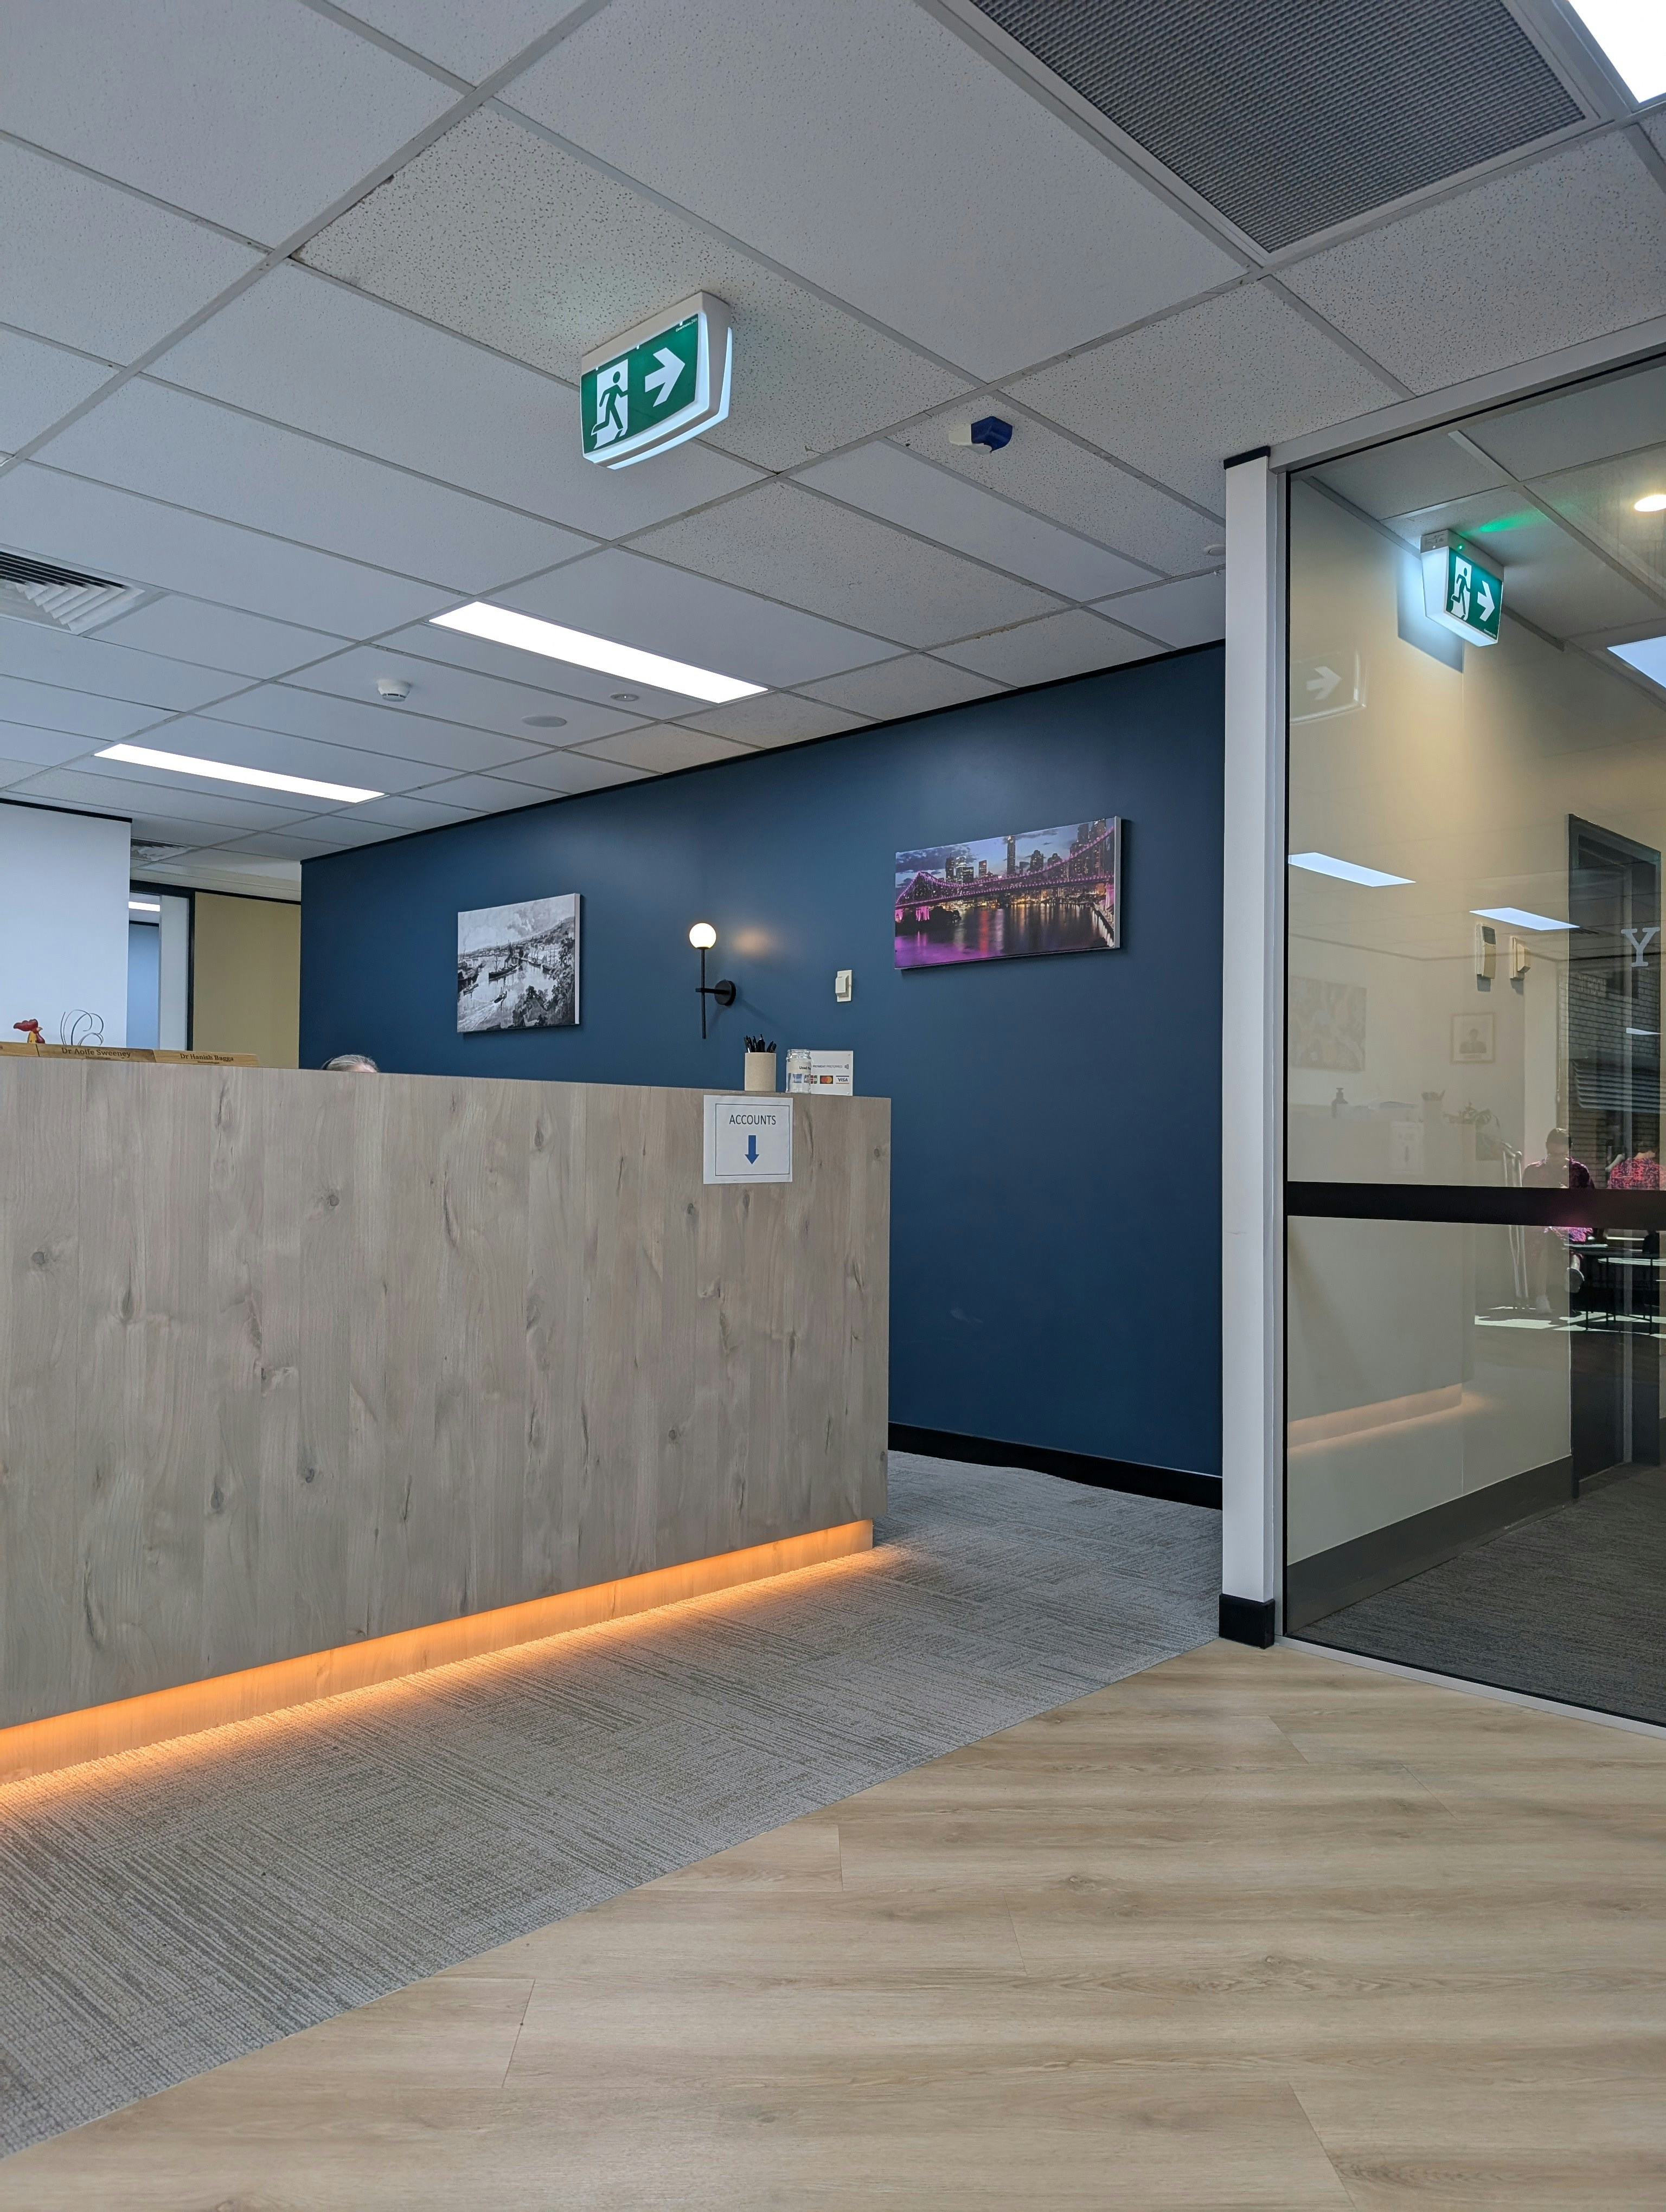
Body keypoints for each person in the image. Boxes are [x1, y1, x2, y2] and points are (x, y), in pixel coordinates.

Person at [1522, 1128, 1592, 1314]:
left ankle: (1572, 1274)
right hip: (1542, 1218)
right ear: (1546, 1148)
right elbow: (1525, 1202)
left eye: (1561, 1154)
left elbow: (1589, 1203)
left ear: (1569, 1151)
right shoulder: (1533, 1170)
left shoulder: (1579, 1171)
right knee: (1546, 1235)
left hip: (1571, 1218)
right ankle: (1542, 1296)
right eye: (1553, 1154)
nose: (1557, 1158)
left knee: (1570, 1233)